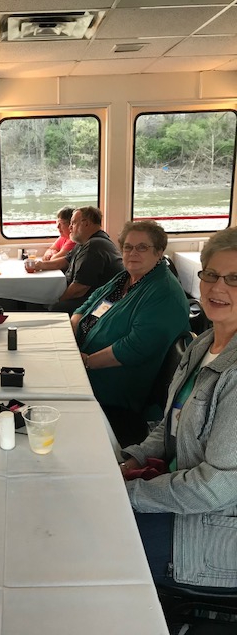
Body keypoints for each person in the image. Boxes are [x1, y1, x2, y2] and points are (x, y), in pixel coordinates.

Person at [120, 226, 237, 591]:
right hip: (176, 499)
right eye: (211, 274)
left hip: (209, 537)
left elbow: (214, 489)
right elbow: (170, 422)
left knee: (87, 540)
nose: (218, 287)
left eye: (235, 279)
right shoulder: (205, 343)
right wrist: (133, 459)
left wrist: (128, 495)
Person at [71, 220, 189, 446]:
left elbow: (135, 347)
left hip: (113, 386)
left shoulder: (163, 292)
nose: (133, 253)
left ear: (159, 252)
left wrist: (85, 362)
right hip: (84, 362)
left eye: (142, 247)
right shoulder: (124, 278)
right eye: (128, 247)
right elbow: (88, 304)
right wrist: (73, 327)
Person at [35, 206, 124, 315]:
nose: (70, 227)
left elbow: (79, 289)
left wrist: (58, 300)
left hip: (104, 302)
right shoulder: (84, 242)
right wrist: (40, 265)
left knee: (54, 307)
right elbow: (65, 261)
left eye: (73, 223)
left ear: (86, 223)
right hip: (92, 296)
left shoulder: (94, 246)